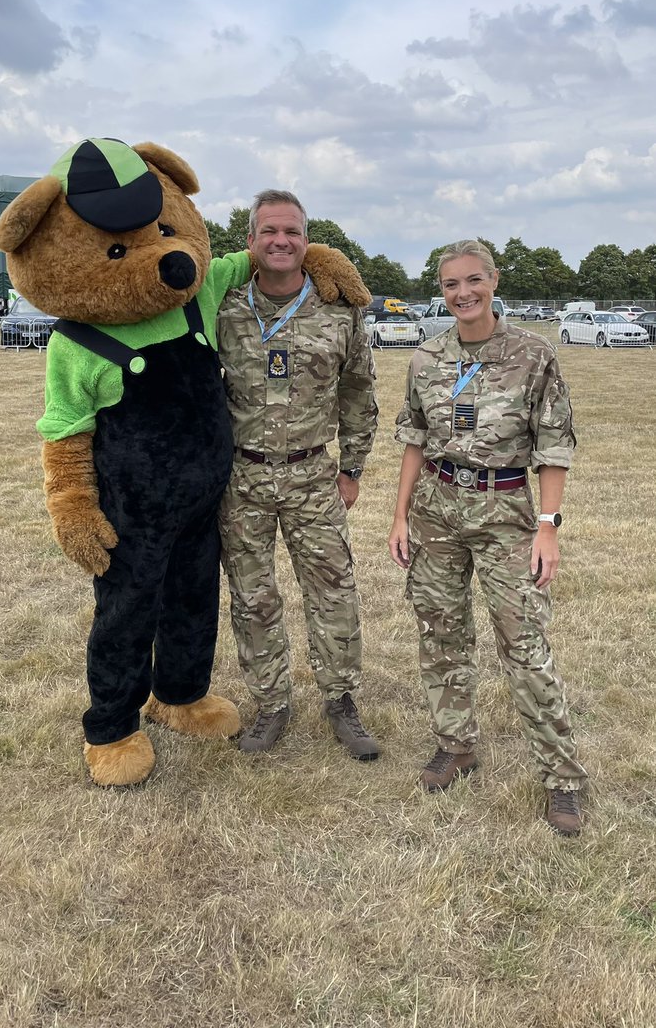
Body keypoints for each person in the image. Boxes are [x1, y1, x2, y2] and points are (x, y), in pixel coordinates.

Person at [388, 240, 587, 836]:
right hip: (437, 508)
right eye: (451, 284)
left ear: (493, 281)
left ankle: (562, 777)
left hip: (506, 511)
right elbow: (414, 441)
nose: (463, 293)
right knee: (441, 632)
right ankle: (457, 745)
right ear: (441, 290)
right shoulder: (427, 357)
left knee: (524, 643)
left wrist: (548, 527)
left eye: (473, 280)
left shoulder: (533, 354)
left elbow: (554, 446)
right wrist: (399, 517)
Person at [217, 190, 380, 760]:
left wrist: (352, 467)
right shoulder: (225, 309)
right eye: (269, 231)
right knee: (252, 597)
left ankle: (341, 700)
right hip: (243, 478)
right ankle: (271, 703)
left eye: (291, 231)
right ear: (251, 241)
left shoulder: (339, 312)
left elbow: (359, 393)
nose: (281, 241)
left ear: (307, 241)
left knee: (334, 592)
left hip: (313, 476)